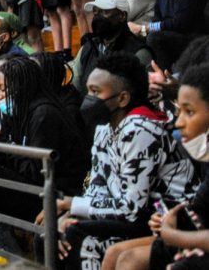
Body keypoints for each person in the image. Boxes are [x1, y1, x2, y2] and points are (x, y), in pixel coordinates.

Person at [57, 53, 198, 270]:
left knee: (79, 235)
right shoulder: (104, 128)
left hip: (163, 217)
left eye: (96, 92)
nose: (88, 98)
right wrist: (73, 214)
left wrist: (73, 204)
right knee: (53, 235)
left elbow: (132, 208)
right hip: (133, 214)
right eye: (88, 91)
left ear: (123, 98)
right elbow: (98, 186)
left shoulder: (140, 129)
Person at [0, 56, 90, 256]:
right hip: (32, 185)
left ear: (23, 86)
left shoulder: (44, 114)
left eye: (4, 89)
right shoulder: (21, 112)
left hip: (54, 195)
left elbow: (37, 172)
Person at [105, 61, 209, 270]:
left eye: (189, 112)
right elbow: (199, 207)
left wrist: (173, 233)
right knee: (115, 254)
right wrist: (167, 217)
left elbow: (132, 205)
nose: (178, 123)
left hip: (191, 240)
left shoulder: (139, 129)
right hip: (188, 235)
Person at [72, 0, 152, 93]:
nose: (97, 17)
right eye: (95, 13)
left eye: (103, 12)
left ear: (122, 16)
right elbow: (74, 89)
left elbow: (144, 94)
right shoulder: (87, 48)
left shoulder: (138, 52)